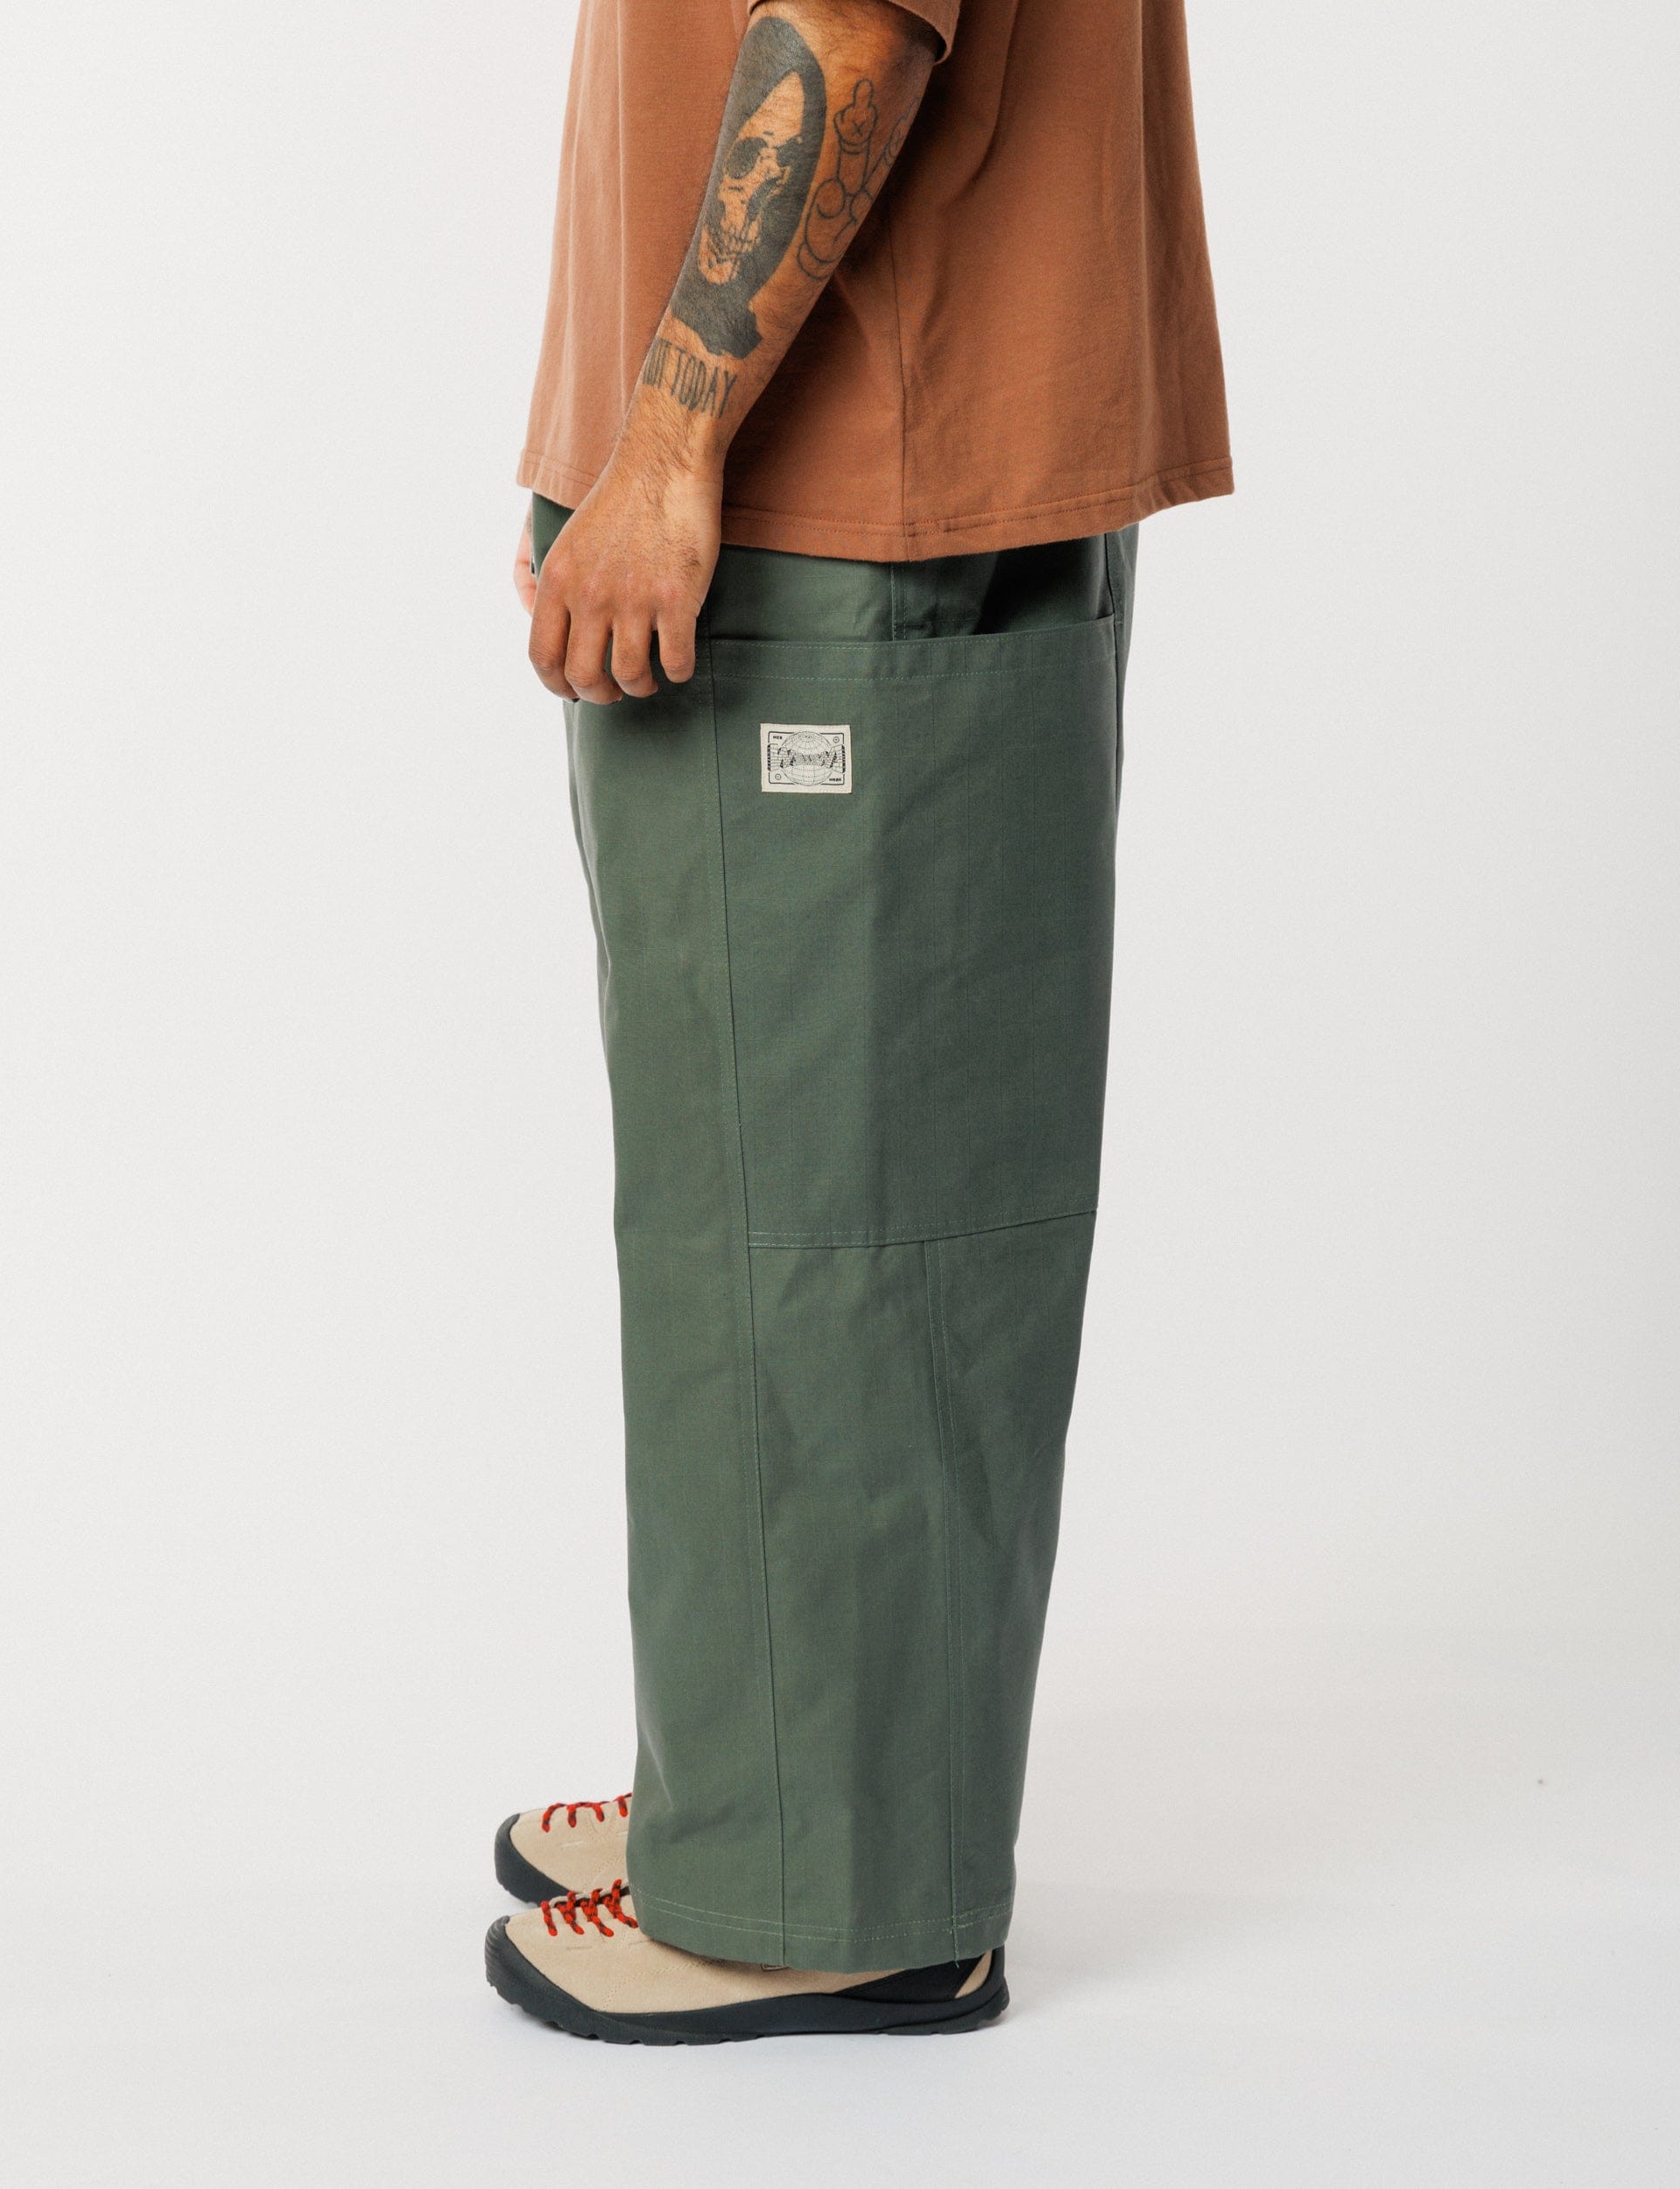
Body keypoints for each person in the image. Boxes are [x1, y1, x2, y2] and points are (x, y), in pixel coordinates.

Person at [487, 0, 1230, 2044]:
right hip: (835, 472)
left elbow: (851, 24)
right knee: (764, 1195)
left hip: (837, 487)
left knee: (841, 1221)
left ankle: (827, 1893)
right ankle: (758, 1786)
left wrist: (665, 441)